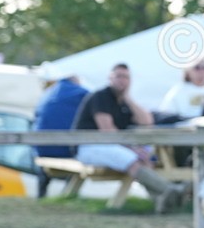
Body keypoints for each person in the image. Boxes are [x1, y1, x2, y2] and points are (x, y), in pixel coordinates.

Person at [72, 63, 189, 213]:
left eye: (126, 77)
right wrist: (133, 148)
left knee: (148, 155)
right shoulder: (101, 97)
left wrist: (128, 98)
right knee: (133, 158)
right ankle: (172, 189)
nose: (122, 80)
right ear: (110, 78)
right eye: (118, 76)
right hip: (88, 146)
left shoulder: (124, 102)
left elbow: (147, 122)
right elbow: (107, 131)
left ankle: (162, 202)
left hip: (111, 146)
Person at [32, 70, 90, 198]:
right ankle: (68, 195)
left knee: (44, 169)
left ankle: (41, 195)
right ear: (76, 80)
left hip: (41, 149)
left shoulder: (47, 93)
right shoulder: (82, 93)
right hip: (67, 149)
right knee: (79, 153)